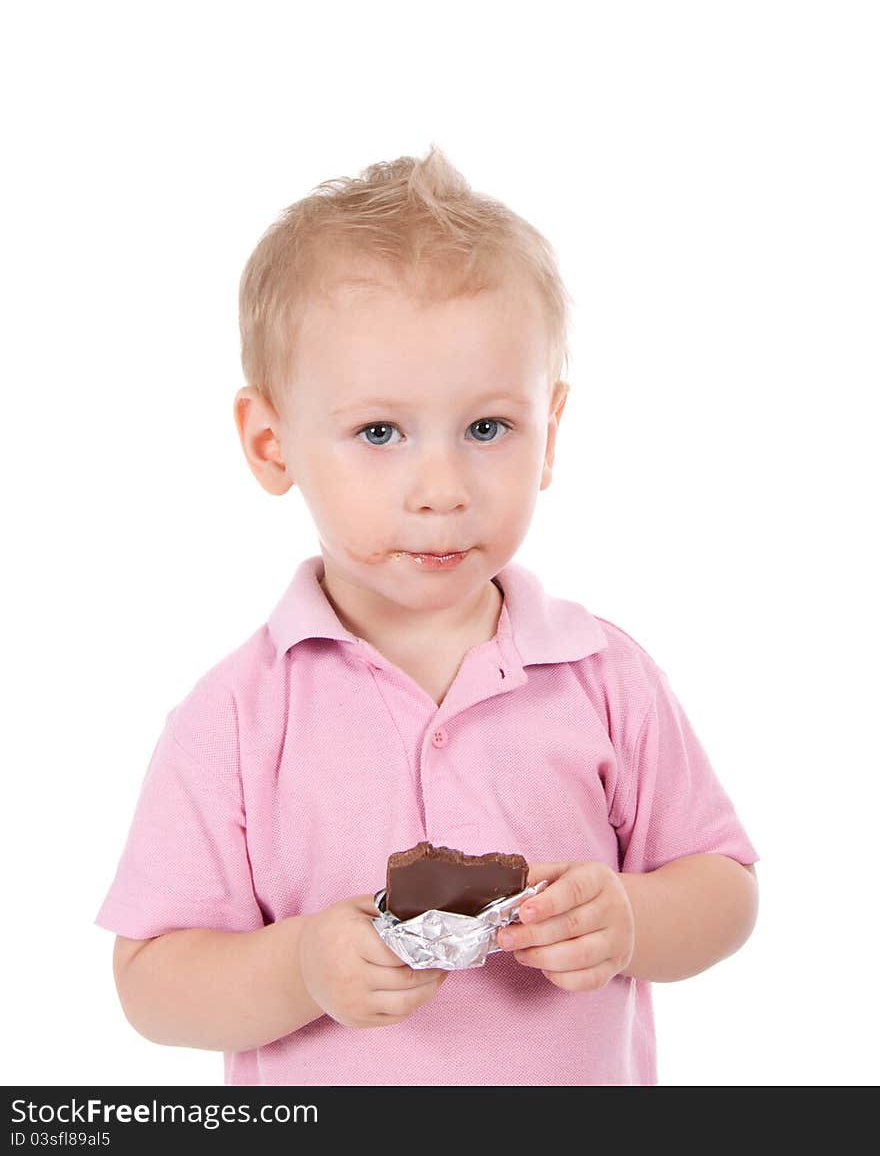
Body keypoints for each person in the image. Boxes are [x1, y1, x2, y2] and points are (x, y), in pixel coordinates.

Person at [94, 146, 760, 1086]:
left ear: (550, 433)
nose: (443, 489)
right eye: (379, 433)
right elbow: (151, 982)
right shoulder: (236, 719)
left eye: (488, 429)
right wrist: (300, 968)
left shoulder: (601, 676)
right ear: (270, 441)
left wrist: (631, 919)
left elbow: (724, 889)